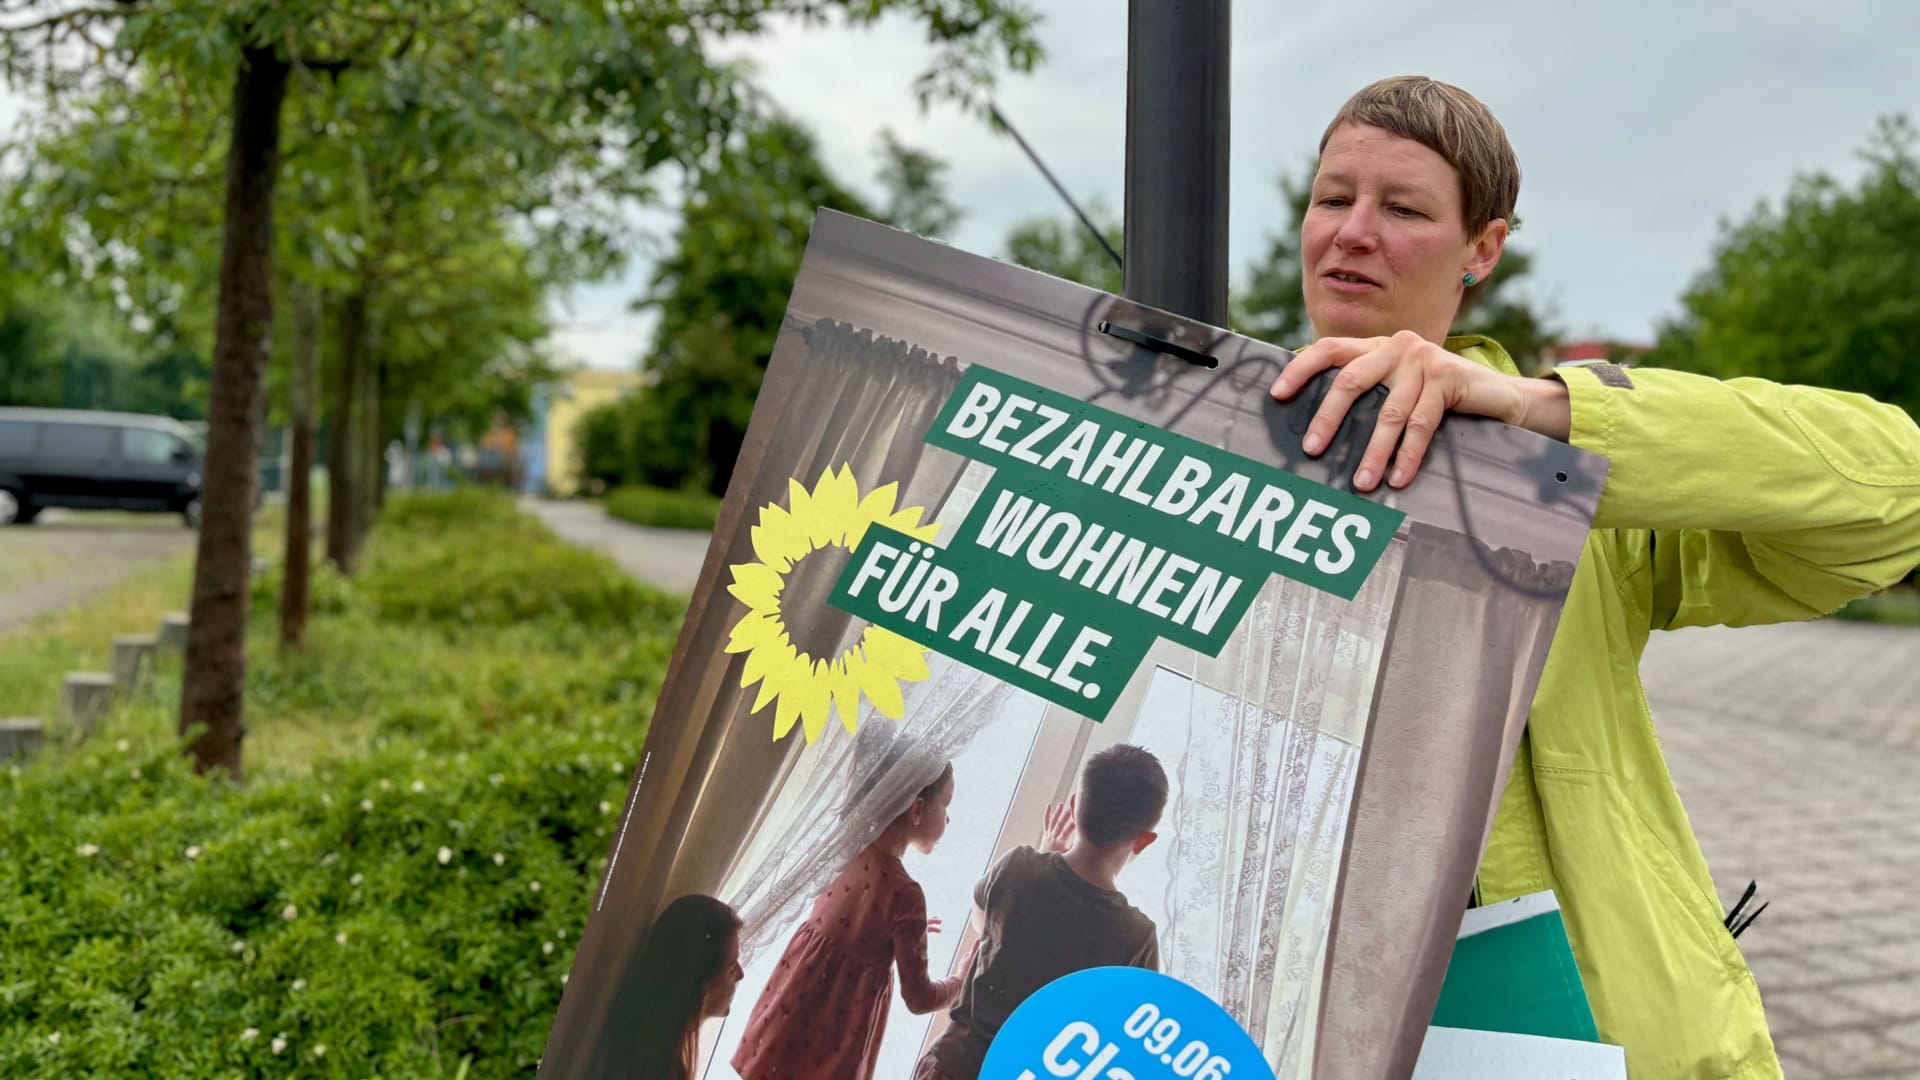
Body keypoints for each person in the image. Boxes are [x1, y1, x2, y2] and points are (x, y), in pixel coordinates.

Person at [1269, 75, 1920, 1079]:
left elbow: (1895, 489)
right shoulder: (1210, 454)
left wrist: (1550, 417)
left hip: (1588, 1022)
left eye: (1402, 208)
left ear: (1482, 249)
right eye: (1331, 198)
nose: (1353, 232)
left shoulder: (1567, 478)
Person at [913, 744, 1169, 1080]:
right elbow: (1124, 1032)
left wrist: (1045, 860)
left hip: (956, 1064)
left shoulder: (1019, 866)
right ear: (1144, 841)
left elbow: (984, 923)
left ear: (1076, 807)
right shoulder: (1138, 937)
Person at [731, 756, 968, 1080]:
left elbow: (853, 923)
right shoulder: (907, 896)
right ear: (916, 810)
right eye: (946, 805)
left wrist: (903, 930)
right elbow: (919, 997)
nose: (949, 819)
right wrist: (960, 982)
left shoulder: (845, 851)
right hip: (831, 1046)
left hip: (786, 1026)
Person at [624, 894, 744, 1080]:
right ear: (700, 985)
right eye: (731, 967)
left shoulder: (642, 1049)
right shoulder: (663, 1072)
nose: (741, 975)